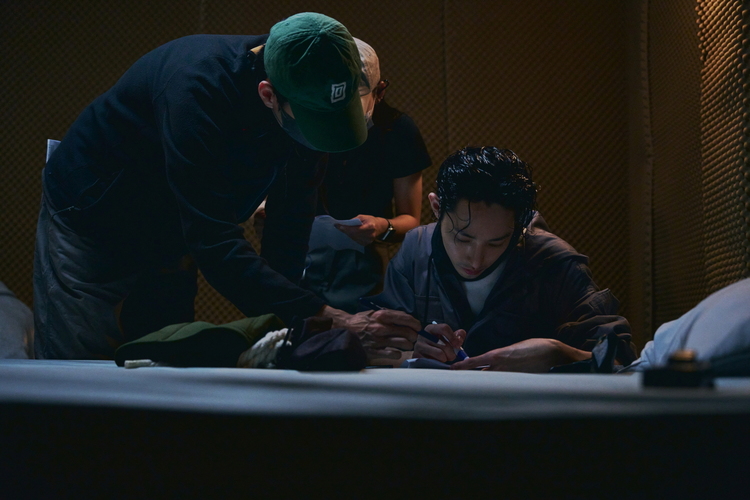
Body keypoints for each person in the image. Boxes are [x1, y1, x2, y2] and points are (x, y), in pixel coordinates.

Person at [34, 12, 419, 360]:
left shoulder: (310, 82)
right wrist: (327, 316)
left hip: (174, 227)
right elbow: (215, 241)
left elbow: (289, 224)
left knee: (164, 357)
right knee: (80, 371)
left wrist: (296, 324)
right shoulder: (195, 87)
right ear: (268, 94)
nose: (317, 145)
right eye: (311, 127)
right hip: (93, 217)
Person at [370, 146, 636, 371]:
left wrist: (561, 354)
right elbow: (376, 348)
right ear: (437, 208)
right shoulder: (415, 250)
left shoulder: (554, 263)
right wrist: (410, 352)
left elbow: (624, 364)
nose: (476, 261)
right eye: (463, 239)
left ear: (519, 224)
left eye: (496, 242)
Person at [299, 38, 430, 313]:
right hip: (298, 258)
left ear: (380, 91)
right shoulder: (304, 120)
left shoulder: (398, 132)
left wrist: (381, 227)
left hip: (363, 266)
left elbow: (411, 220)